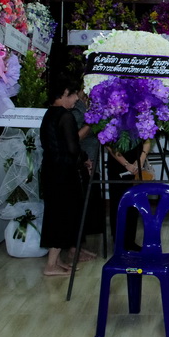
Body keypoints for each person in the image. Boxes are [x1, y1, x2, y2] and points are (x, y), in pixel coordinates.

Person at [39, 76, 95, 276]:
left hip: (50, 169)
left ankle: (56, 261)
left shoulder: (49, 114)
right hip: (63, 172)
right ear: (63, 94)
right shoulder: (65, 116)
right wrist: (84, 160)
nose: (76, 99)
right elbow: (72, 147)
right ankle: (51, 265)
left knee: (55, 214)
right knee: (61, 216)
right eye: (72, 95)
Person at [106, 139, 151, 250]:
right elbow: (108, 144)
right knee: (118, 202)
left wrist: (141, 159)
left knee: (134, 202)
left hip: (137, 159)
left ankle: (130, 241)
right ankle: (119, 241)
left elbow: (148, 138)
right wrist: (126, 164)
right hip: (118, 161)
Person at [72, 89, 104, 236]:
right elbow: (74, 137)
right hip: (81, 159)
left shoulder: (91, 102)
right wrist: (91, 121)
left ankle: (88, 239)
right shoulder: (75, 107)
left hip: (92, 156)